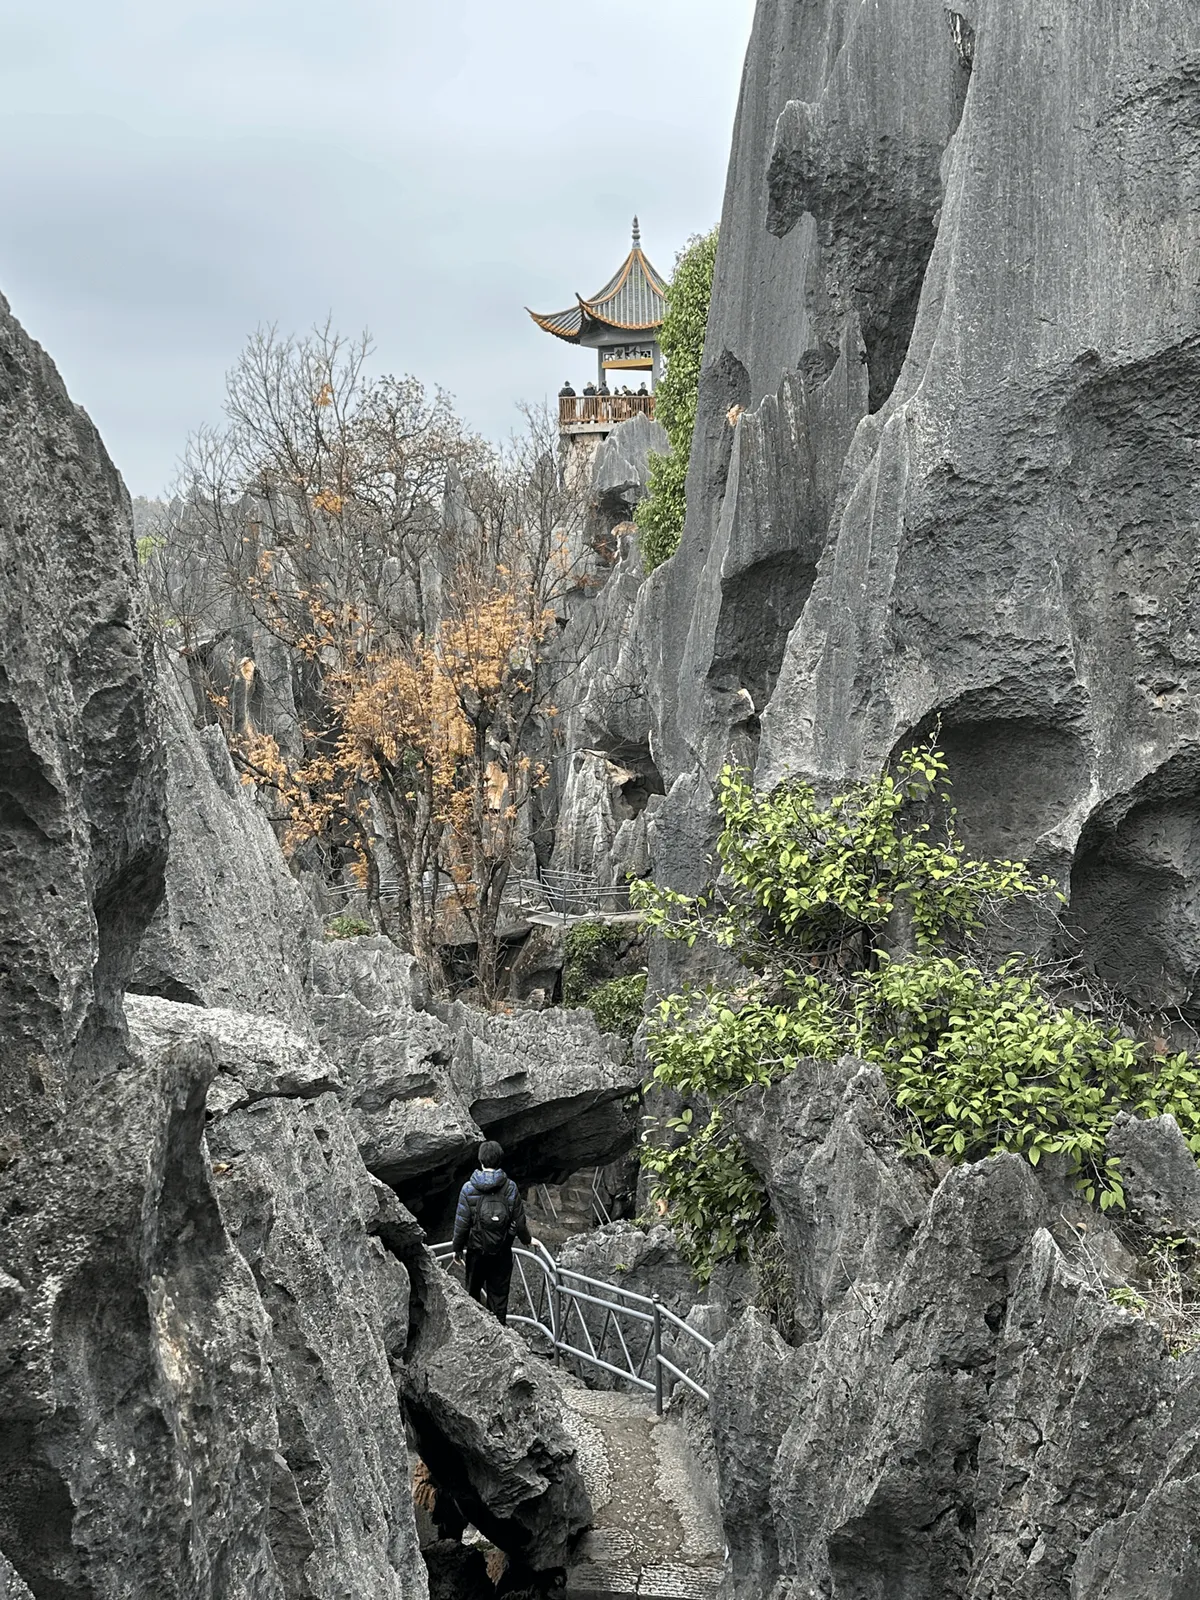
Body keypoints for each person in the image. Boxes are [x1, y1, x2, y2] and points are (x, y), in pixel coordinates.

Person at [452, 1140, 531, 1325]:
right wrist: (527, 1240)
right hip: (502, 1250)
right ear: (500, 1160)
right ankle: (501, 1334)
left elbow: (462, 1224)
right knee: (499, 1297)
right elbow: (520, 1221)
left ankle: (475, 1332)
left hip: (476, 1250)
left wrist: (457, 1249)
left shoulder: (468, 1188)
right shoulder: (510, 1187)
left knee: (473, 1293)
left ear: (480, 1160)